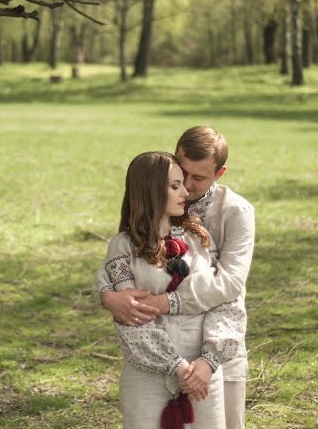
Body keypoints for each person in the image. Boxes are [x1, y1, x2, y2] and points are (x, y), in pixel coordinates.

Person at [95, 127, 255, 429]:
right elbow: (115, 269)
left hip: (216, 347)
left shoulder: (230, 215)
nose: (188, 187)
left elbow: (228, 286)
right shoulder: (130, 238)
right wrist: (107, 295)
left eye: (198, 178)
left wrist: (163, 304)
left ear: (219, 173)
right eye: (181, 176)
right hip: (154, 361)